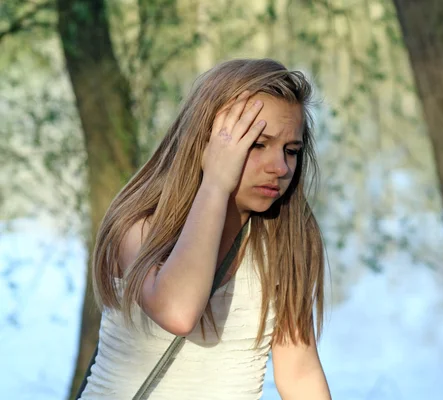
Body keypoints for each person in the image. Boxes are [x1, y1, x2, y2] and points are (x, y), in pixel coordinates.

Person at [78, 58, 331, 399]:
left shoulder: (286, 240)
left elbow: (299, 373)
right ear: (206, 142)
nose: (280, 167)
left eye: (291, 150)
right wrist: (214, 184)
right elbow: (178, 312)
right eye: (257, 144)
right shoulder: (138, 226)